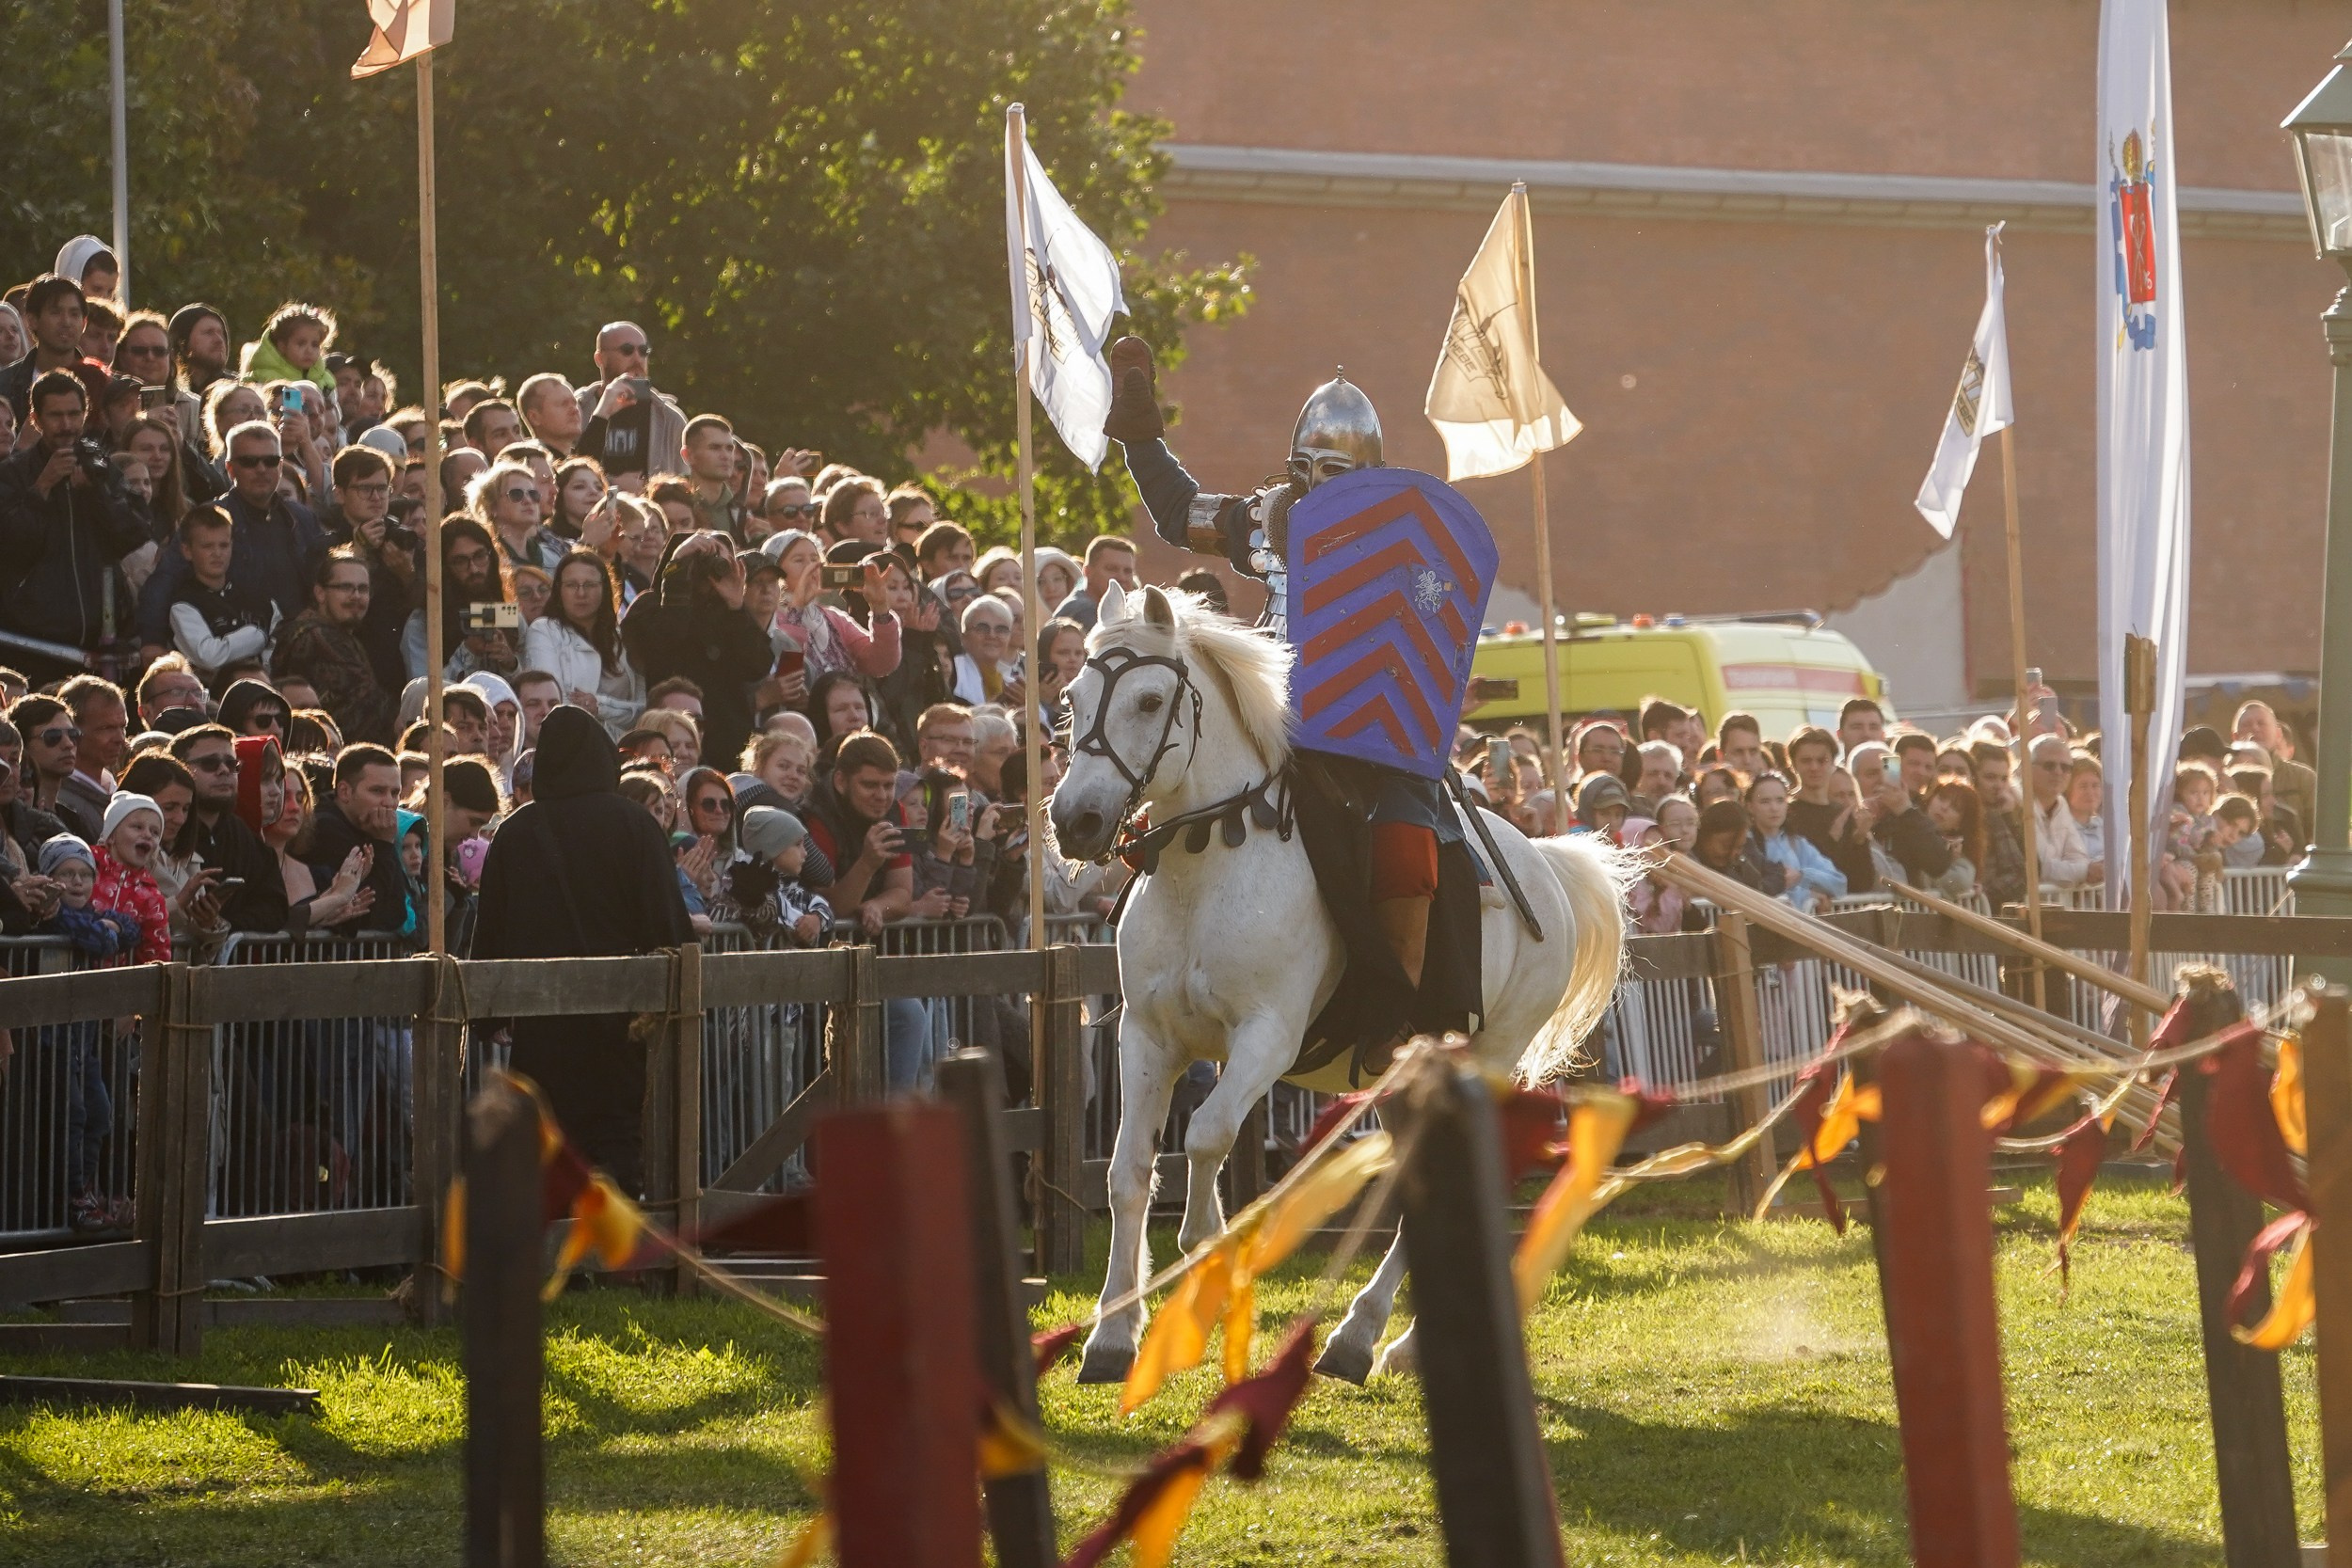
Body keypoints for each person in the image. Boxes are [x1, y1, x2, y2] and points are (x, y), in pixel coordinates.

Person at [474, 706, 692, 1192]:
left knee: (547, 1137)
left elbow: (492, 928)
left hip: (542, 1020)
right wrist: (677, 995)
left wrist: (489, 1015)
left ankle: (558, 1257)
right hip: (622, 1018)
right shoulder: (634, 825)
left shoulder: (515, 833)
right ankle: (617, 1254)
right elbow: (665, 921)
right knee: (617, 1135)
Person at [0, 371, 150, 678]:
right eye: (56, 416)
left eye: (73, 414)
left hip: (103, 640)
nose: (66, 425)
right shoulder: (13, 473)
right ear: (36, 419)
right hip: (35, 645)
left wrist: (95, 492)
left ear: (85, 414)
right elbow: (13, 546)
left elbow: (133, 534)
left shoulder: (102, 466)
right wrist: (42, 487)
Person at [137, 420, 326, 657]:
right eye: (249, 461)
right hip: (235, 651)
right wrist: (152, 641)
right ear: (229, 469)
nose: (261, 469)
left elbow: (324, 576)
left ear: (280, 466)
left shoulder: (302, 518)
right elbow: (164, 581)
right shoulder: (206, 520)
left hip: (298, 646)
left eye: (270, 461)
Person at [621, 532, 772, 767]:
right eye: (701, 560)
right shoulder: (651, 605)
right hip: (671, 742)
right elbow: (664, 643)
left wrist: (736, 606)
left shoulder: (732, 614)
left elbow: (758, 666)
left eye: (720, 560)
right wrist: (677, 572)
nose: (709, 568)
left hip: (728, 744)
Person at [167, 723, 289, 932]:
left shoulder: (241, 833)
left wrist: (223, 925)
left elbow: (275, 908)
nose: (224, 770)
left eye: (232, 764)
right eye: (209, 763)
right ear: (180, 768)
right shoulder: (166, 828)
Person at [272, 547, 399, 745]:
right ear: (320, 593)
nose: (356, 596)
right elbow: (368, 706)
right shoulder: (316, 637)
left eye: (363, 589)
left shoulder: (337, 634)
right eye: (345, 587)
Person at [523, 550, 645, 742]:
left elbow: (641, 711)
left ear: (605, 588)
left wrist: (600, 706)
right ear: (559, 590)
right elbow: (553, 702)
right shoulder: (544, 630)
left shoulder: (624, 638)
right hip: (568, 743)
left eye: (589, 585)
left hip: (621, 747)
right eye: (572, 585)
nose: (581, 593)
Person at [405, 517, 519, 682]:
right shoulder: (423, 623)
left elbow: (532, 687)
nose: (473, 569)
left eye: (479, 556)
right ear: (443, 567)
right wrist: (467, 652)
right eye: (460, 561)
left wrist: (509, 662)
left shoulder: (506, 614)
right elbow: (423, 691)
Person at [573, 322, 686, 483]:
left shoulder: (669, 418)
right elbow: (568, 471)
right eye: (627, 350)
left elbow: (683, 485)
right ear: (600, 358)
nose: (637, 358)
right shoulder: (577, 410)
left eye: (643, 351)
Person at [1849, 739, 1952, 888]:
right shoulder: (1843, 814)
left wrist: (1904, 811)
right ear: (1854, 780)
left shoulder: (1913, 815)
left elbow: (1937, 864)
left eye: (1886, 771)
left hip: (1906, 908)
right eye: (1872, 774)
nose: (1880, 780)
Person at [1745, 772, 1845, 911]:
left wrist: (1802, 877)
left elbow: (1839, 883)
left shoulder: (1797, 844)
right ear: (1750, 806)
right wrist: (1807, 894)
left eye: (1780, 800)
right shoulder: (1745, 843)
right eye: (1765, 802)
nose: (1774, 808)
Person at [2024, 733, 2091, 891]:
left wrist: (2078, 870)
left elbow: (2079, 857)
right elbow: (2042, 867)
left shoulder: (2061, 804)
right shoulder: (2018, 803)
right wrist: (2084, 872)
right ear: (2027, 767)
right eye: (2049, 766)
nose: (2058, 772)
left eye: (2066, 767)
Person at [1051, 534, 1139, 631]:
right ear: (1087, 572)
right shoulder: (1084, 611)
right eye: (1111, 569)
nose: (1122, 577)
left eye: (1128, 571)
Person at [1921, 780, 1988, 899]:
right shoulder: (1907, 824)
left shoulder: (1961, 861)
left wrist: (1948, 861)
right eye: (1942, 798)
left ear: (1961, 824)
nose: (1944, 807)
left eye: (1955, 808)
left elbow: (1960, 880)